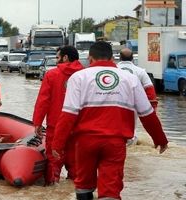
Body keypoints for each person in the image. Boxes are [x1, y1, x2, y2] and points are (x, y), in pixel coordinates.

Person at [50, 41, 168, 200]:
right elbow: (147, 113)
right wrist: (159, 138)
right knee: (111, 189)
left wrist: (58, 143)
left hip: (85, 142)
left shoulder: (78, 77)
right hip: (115, 143)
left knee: (83, 184)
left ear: (90, 58)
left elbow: (68, 114)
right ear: (113, 58)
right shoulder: (130, 78)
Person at [32, 46, 84, 185]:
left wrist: (37, 122)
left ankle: (53, 191)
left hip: (56, 126)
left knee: (53, 165)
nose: (56, 60)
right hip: (80, 127)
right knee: (77, 168)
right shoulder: (86, 75)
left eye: (57, 57)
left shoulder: (52, 75)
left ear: (65, 57)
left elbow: (43, 101)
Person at [117, 48, 158, 145]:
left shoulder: (112, 69)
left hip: (113, 103)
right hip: (133, 105)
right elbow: (150, 91)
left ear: (119, 58)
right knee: (131, 129)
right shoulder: (140, 71)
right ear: (132, 59)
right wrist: (152, 108)